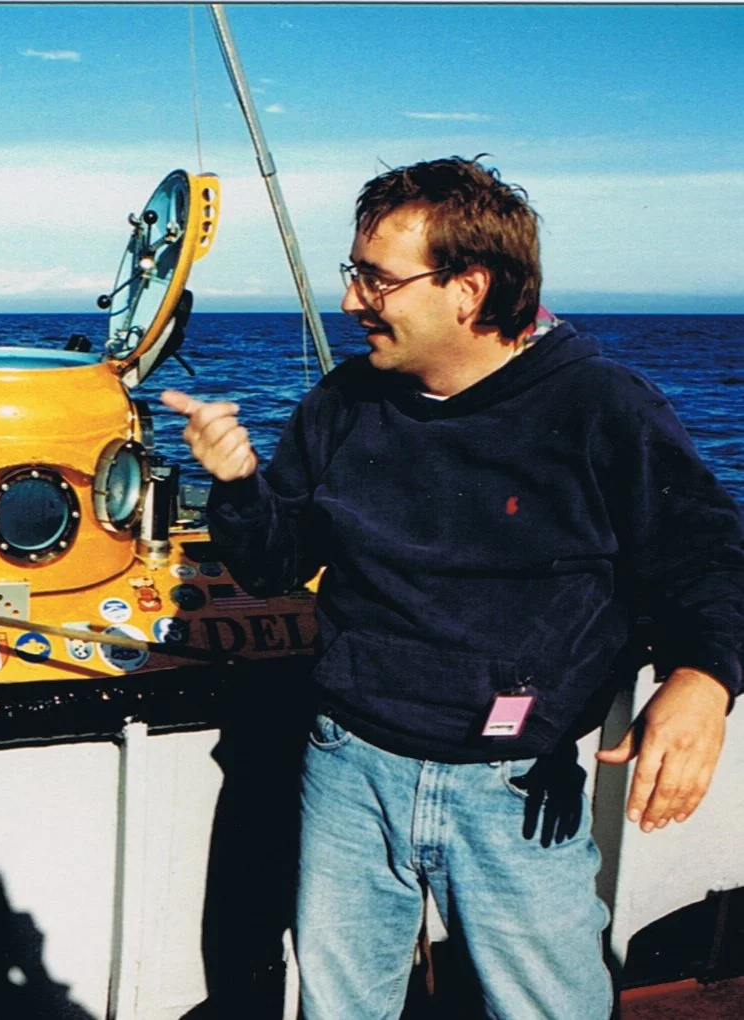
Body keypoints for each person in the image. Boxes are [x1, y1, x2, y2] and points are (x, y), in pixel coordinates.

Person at [162, 156, 744, 1019]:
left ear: (468, 289)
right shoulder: (346, 400)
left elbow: (708, 559)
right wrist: (238, 485)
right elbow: (275, 562)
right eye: (353, 274)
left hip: (512, 789)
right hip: (346, 766)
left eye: (376, 279)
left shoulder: (601, 404)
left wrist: (703, 680)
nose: (354, 301)